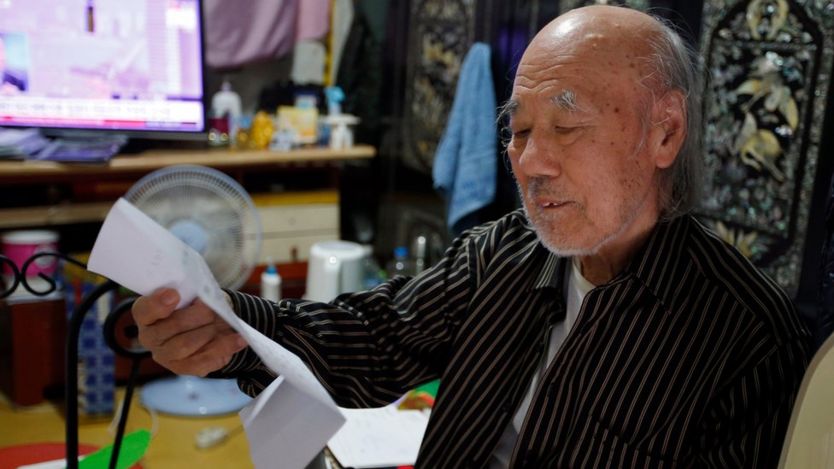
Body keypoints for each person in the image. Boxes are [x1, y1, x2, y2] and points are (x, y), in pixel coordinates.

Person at [132, 5, 810, 467]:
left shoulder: (745, 334)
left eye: (566, 127)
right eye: (516, 129)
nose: (529, 160)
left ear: (663, 132)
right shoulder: (502, 253)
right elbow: (373, 335)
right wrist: (234, 327)